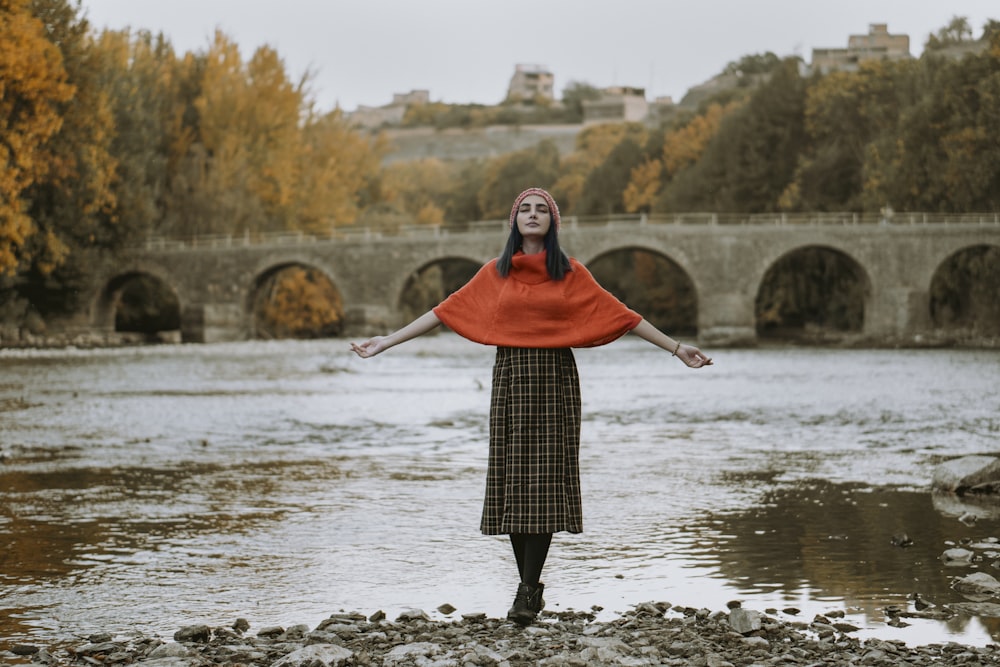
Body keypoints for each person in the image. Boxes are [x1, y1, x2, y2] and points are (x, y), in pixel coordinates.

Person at [351, 187, 712, 626]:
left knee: (541, 482)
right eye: (526, 209)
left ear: (553, 221)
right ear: (515, 220)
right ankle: (530, 587)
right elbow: (445, 312)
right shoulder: (495, 273)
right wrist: (385, 342)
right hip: (510, 379)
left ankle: (526, 590)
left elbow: (623, 315)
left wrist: (676, 348)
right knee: (513, 481)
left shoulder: (571, 272)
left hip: (554, 380)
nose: (534, 214)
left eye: (542, 209)